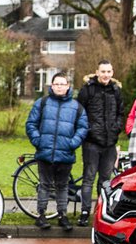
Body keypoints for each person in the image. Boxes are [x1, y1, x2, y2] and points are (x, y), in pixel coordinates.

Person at [25, 72, 89, 230]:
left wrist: (72, 143)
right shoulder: (42, 103)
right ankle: (41, 216)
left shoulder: (76, 107)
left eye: (63, 84)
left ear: (68, 86)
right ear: (52, 86)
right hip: (45, 151)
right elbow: (31, 124)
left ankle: (63, 216)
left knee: (62, 186)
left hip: (65, 153)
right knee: (44, 185)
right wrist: (38, 141)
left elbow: (82, 128)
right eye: (57, 84)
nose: (60, 87)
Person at [77, 59, 123, 203]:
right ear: (97, 72)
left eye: (108, 72)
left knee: (105, 181)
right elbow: (79, 113)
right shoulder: (87, 89)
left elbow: (120, 114)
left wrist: (116, 129)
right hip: (91, 143)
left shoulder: (116, 91)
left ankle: (100, 212)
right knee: (88, 178)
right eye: (103, 71)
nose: (105, 75)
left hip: (110, 144)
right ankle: (84, 212)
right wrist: (89, 131)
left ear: (112, 73)